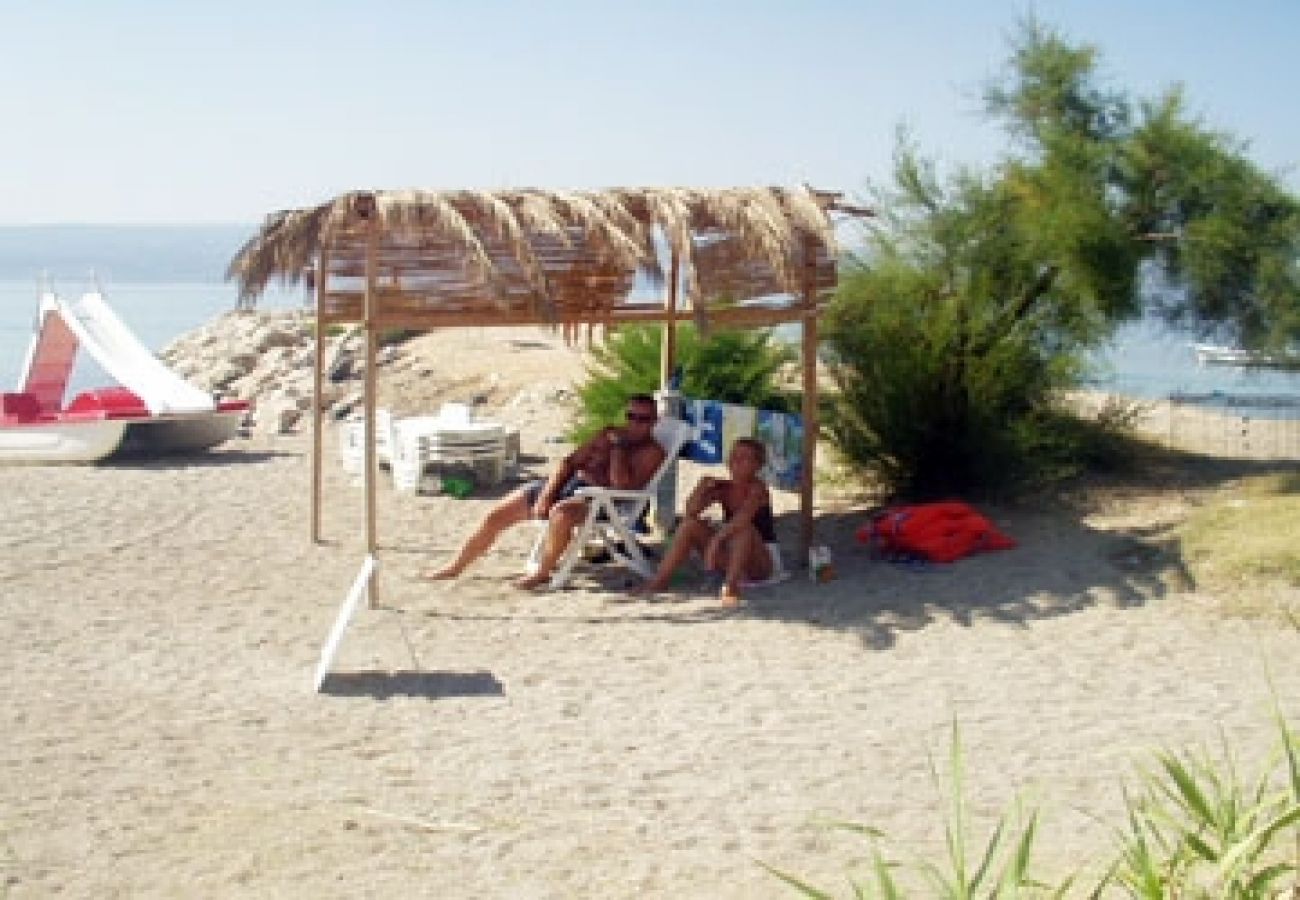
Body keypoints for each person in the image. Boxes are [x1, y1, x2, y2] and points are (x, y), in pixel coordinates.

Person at [422, 394, 666, 589]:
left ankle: (543, 572)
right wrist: (547, 494)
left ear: (654, 421)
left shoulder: (652, 452)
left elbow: (621, 484)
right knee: (496, 516)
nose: (635, 423)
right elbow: (569, 462)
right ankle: (455, 567)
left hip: (603, 502)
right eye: (631, 416)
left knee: (561, 514)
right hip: (570, 486)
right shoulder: (608, 433)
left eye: (643, 419)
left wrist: (619, 449)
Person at [632, 437, 776, 606]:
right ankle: (660, 581)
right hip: (731, 555)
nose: (736, 462)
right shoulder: (724, 488)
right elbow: (690, 511)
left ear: (757, 466)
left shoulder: (758, 489)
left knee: (744, 529)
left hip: (761, 562)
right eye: (733, 456)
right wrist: (701, 487)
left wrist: (716, 541)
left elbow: (742, 520)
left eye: (743, 458)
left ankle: (730, 587)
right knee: (689, 525)